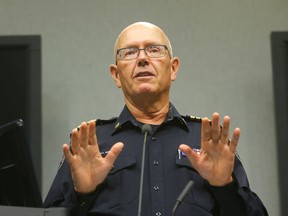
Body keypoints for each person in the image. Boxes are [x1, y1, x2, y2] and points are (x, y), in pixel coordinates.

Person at [44, 22, 268, 216]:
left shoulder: (209, 141)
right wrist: (83, 195)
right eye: (129, 52)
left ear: (173, 68)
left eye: (153, 49)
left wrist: (225, 188)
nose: (142, 58)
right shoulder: (89, 144)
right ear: (116, 75)